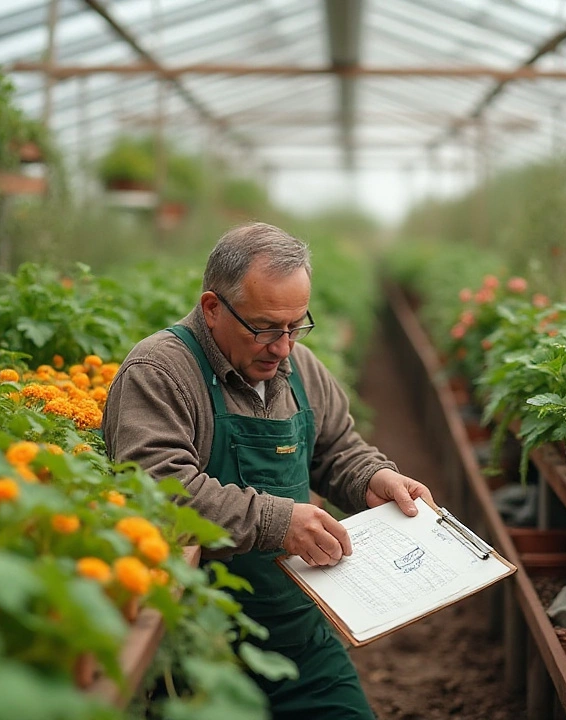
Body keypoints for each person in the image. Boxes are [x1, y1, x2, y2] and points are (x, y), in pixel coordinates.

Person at [102, 222, 433, 719]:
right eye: (263, 328)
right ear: (212, 308)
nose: (282, 347)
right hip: (201, 646)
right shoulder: (161, 373)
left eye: (295, 325)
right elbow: (159, 490)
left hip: (301, 635)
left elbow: (336, 447)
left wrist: (373, 478)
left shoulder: (301, 369)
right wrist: (278, 522)